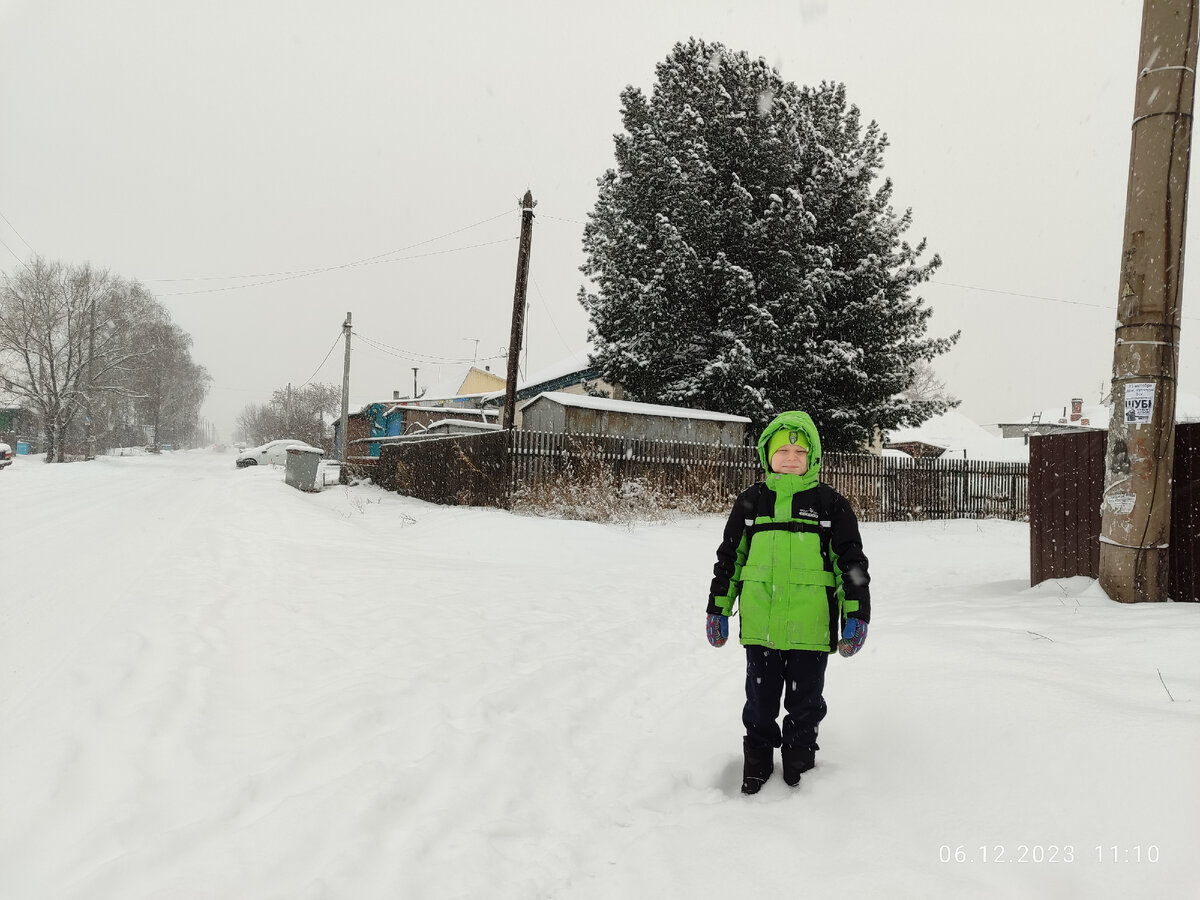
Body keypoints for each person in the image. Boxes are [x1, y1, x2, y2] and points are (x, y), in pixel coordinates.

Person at [706, 410, 871, 795]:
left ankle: (800, 766)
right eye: (783, 450)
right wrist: (718, 607)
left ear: (813, 455)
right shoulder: (751, 501)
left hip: (810, 629)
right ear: (767, 454)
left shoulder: (831, 504)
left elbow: (851, 563)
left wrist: (856, 614)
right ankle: (757, 765)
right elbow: (730, 558)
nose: (792, 457)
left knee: (805, 704)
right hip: (761, 627)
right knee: (759, 705)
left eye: (800, 450)